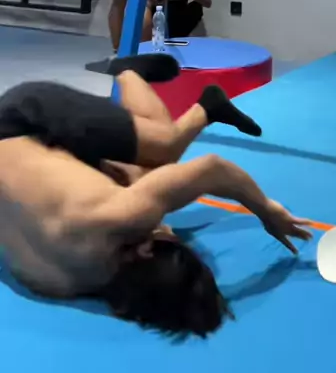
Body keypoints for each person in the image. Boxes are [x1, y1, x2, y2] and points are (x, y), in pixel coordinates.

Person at [0, 53, 312, 338]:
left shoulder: (119, 214)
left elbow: (212, 169)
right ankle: (195, 103)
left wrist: (267, 210)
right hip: (35, 159)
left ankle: (131, 74)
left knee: (165, 149)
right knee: (147, 176)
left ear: (147, 250)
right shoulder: (58, 284)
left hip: (24, 118)